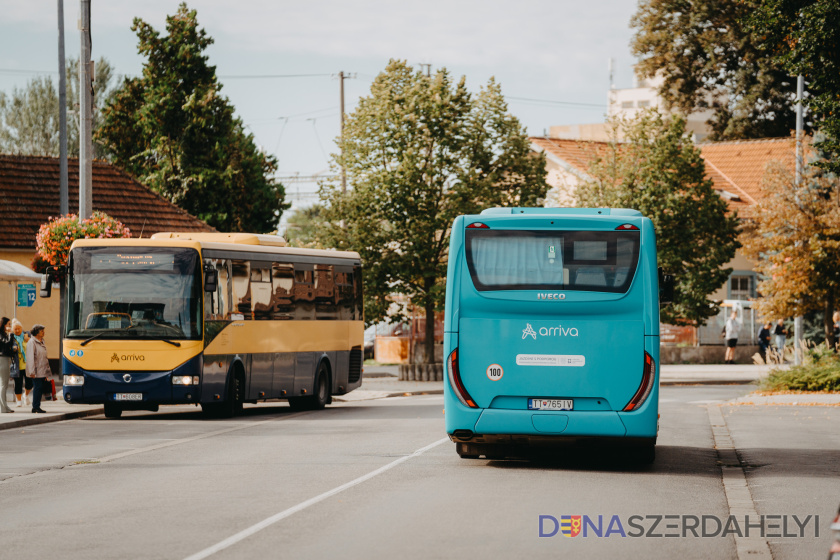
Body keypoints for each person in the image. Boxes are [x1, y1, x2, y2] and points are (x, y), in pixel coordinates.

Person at [25, 324, 51, 414]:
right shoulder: (32, 342)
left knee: (40, 388)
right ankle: (35, 407)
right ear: (36, 332)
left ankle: (37, 406)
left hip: (42, 370)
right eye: (41, 331)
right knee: (38, 387)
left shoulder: (41, 341)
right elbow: (30, 358)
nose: (43, 332)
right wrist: (32, 371)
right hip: (35, 371)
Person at [11, 319, 31, 408]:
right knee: (18, 384)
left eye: (19, 328)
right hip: (17, 365)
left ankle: (25, 395)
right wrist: (13, 349)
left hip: (27, 364)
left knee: (30, 383)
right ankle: (19, 401)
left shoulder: (27, 336)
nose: (17, 330)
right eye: (15, 329)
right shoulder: (11, 338)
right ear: (13, 330)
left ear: (22, 328)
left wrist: (29, 339)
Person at [0, 317, 17, 413]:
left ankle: (4, 407)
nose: (10, 326)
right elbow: (6, 345)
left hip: (3, 359)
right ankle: (3, 407)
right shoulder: (2, 334)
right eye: (9, 324)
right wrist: (11, 334)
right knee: (3, 385)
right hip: (3, 360)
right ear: (4, 325)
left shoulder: (2, 334)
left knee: (2, 385)